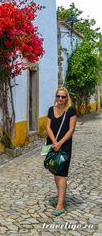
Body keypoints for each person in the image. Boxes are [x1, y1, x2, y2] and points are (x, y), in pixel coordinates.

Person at [45, 87, 77, 216]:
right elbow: (48, 126)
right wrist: (54, 142)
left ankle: (60, 204)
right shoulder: (51, 109)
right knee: (55, 171)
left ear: (67, 98)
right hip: (52, 145)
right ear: (56, 96)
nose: (60, 99)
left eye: (63, 97)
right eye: (58, 96)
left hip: (64, 146)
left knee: (61, 174)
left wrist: (60, 143)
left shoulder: (71, 111)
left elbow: (71, 129)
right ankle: (60, 198)